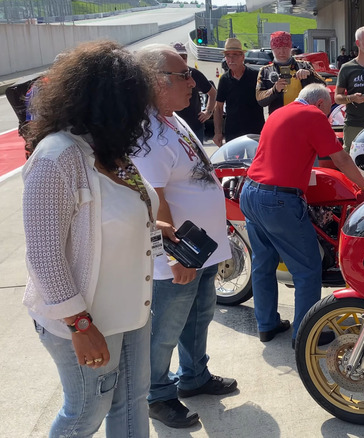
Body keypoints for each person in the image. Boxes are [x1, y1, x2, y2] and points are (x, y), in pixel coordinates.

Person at [22, 40, 158, 437]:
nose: (142, 114)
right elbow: (45, 255)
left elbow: (135, 206)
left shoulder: (107, 150)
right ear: (111, 103)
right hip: (85, 320)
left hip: (130, 311)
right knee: (85, 413)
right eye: (135, 103)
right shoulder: (56, 157)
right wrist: (81, 325)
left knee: (132, 403)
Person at [133, 44, 236, 429]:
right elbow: (154, 198)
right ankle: (157, 394)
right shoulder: (147, 132)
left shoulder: (170, 118)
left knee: (199, 318)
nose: (193, 82)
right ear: (156, 82)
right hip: (181, 254)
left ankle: (194, 376)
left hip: (201, 250)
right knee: (165, 330)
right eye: (183, 75)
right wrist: (176, 257)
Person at [240, 84, 364, 348]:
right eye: (329, 113)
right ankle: (305, 334)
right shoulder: (314, 115)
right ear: (322, 104)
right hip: (278, 200)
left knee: (263, 263)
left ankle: (266, 325)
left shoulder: (279, 112)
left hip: (251, 192)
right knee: (308, 268)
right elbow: (341, 159)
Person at [256, 31, 325, 115]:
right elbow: (260, 99)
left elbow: (323, 86)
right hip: (279, 119)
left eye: (285, 47)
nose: (282, 52)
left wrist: (310, 74)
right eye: (278, 48)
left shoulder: (304, 65)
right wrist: (275, 90)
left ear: (290, 48)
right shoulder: (265, 71)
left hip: (303, 117)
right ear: (272, 49)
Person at [213, 38, 264, 146]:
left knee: (254, 162)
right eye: (228, 56)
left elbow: (267, 98)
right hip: (233, 133)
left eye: (235, 55)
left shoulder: (256, 76)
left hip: (254, 133)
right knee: (233, 162)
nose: (231, 59)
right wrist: (218, 133)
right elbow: (218, 107)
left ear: (242, 57)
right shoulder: (224, 80)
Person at [172, 42, 217, 143]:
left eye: (184, 56)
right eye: (178, 57)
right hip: (173, 128)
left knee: (197, 158)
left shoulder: (194, 74)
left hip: (194, 128)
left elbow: (213, 93)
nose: (182, 59)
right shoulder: (165, 77)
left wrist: (208, 112)